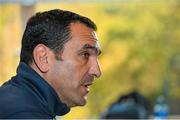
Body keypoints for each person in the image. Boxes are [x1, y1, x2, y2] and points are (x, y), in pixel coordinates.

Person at [0, 9, 101, 119]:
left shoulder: (19, 100)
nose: (97, 71)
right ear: (43, 58)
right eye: (85, 54)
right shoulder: (23, 114)